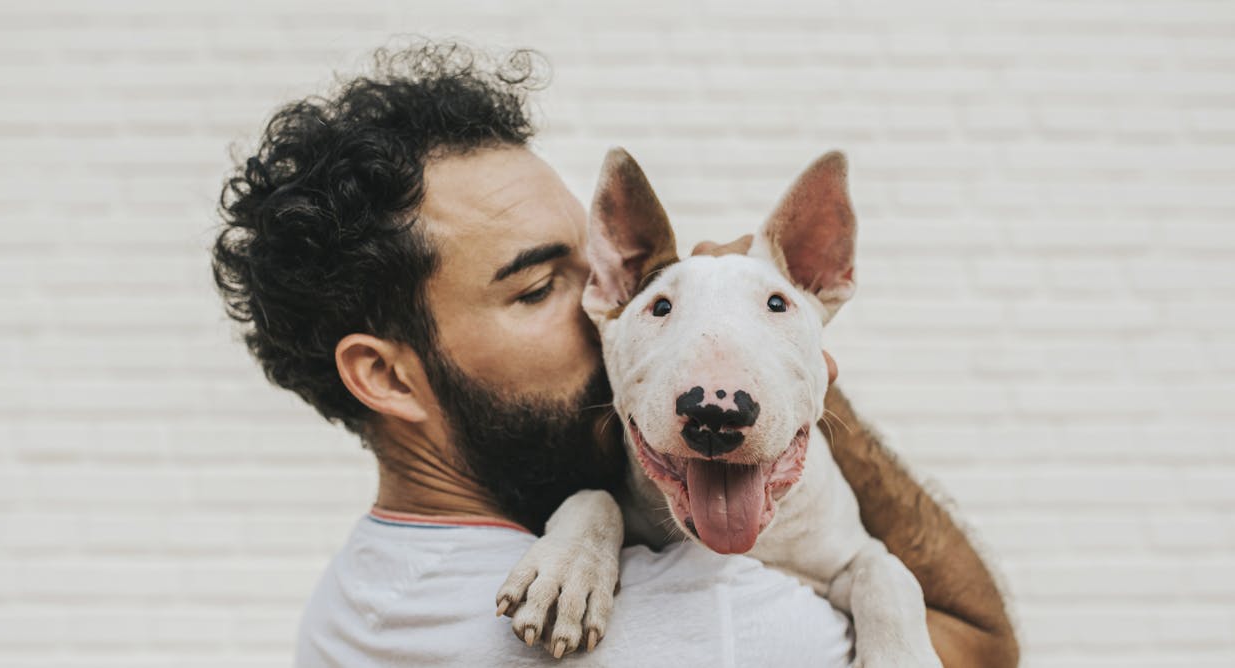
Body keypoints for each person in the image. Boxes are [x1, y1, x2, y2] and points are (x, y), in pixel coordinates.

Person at [212, 42, 1018, 667]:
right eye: (536, 290)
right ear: (385, 374)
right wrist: (799, 372)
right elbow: (980, 642)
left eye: (595, 268)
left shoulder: (358, 593)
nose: (617, 319)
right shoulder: (716, 621)